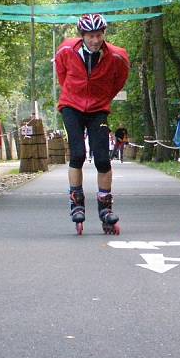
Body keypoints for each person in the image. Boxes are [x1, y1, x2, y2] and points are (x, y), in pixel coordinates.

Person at [55, 13, 130, 234]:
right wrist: (73, 93)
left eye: (99, 35)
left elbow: (119, 80)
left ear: (104, 34)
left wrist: (102, 97)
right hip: (71, 106)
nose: (95, 40)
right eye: (90, 36)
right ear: (82, 35)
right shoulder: (66, 50)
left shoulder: (117, 56)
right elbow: (62, 75)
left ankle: (105, 208)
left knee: (103, 159)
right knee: (77, 154)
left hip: (98, 108)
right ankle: (76, 201)